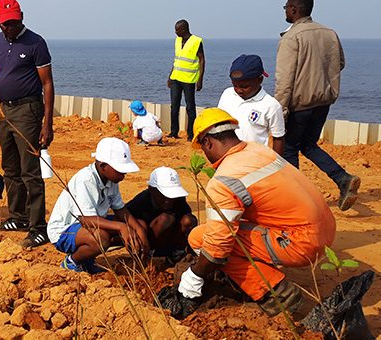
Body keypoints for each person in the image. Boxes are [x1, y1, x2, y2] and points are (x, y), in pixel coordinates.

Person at [160, 108, 336, 319]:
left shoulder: (224, 179)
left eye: (203, 149)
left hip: (301, 242)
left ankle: (276, 293)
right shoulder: (258, 150)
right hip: (326, 228)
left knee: (200, 239)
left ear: (207, 143)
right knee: (221, 232)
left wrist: (196, 275)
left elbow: (217, 246)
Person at [276, 0, 360, 210]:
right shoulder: (329, 33)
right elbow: (339, 63)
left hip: (300, 104)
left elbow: (284, 80)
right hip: (323, 102)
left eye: (286, 7)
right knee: (309, 145)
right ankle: (342, 178)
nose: (285, 10)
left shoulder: (292, 37)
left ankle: (295, 198)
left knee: (289, 149)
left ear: (294, 9)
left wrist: (280, 110)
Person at [0, 0, 55, 248]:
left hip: (28, 110)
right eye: (5, 24)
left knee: (30, 171)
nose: (10, 27)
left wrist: (47, 124)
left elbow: (47, 83)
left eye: (14, 22)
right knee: (11, 168)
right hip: (5, 111)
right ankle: (18, 217)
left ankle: (39, 227)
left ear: (22, 17)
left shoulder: (36, 43)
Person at [47, 137, 149, 273]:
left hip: (90, 224)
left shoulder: (111, 180)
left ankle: (87, 261)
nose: (123, 175)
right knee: (101, 238)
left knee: (138, 225)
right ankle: (72, 262)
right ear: (103, 166)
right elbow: (86, 220)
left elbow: (120, 210)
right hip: (65, 231)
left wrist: (140, 230)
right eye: (120, 171)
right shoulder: (86, 180)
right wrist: (121, 227)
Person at [125, 167, 196, 261]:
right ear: (151, 190)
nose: (169, 201)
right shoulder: (141, 201)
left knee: (189, 220)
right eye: (164, 196)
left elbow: (189, 224)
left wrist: (191, 251)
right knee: (164, 219)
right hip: (148, 244)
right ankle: (148, 256)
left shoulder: (179, 200)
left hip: (171, 242)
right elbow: (125, 220)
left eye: (172, 196)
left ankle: (177, 254)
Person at [218, 54, 285, 155]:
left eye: (244, 86)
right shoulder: (227, 94)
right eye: (234, 85)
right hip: (227, 158)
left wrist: (276, 165)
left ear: (260, 80)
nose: (238, 90)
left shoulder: (271, 105)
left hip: (255, 161)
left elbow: (278, 138)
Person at [167, 19, 205, 140]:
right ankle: (174, 132)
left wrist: (200, 79)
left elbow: (202, 60)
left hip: (189, 80)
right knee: (174, 106)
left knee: (190, 107)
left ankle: (191, 134)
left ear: (184, 29)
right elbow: (177, 59)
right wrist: (170, 76)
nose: (175, 32)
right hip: (176, 78)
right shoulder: (177, 41)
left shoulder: (196, 41)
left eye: (177, 30)